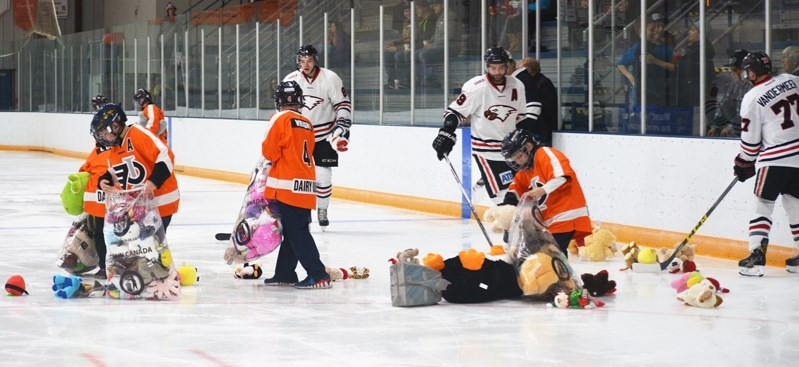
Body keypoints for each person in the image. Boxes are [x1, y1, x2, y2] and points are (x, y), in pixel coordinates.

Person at [432, 46, 534, 204]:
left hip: (513, 151)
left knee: (522, 194)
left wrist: (528, 141)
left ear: (507, 66)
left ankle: (483, 185)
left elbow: (520, 118)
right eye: (493, 68)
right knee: (504, 198)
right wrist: (446, 132)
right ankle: (506, 226)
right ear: (487, 67)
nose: (497, 72)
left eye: (501, 67)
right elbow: (454, 112)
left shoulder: (517, 85)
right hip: (487, 152)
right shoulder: (476, 87)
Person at [734, 51, 799, 277]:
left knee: (763, 204)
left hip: (776, 159)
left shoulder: (752, 98)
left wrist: (743, 163)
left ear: (752, 72)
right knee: (795, 203)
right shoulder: (791, 80)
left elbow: (751, 142)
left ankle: (756, 257)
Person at [262, 81, 331, 289]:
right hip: (305, 185)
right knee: (293, 231)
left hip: (286, 187)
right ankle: (285, 273)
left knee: (298, 232)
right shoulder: (306, 122)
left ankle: (318, 275)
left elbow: (270, 152)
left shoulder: (279, 119)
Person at [283, 45, 351, 230]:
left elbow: (343, 104)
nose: (305, 65)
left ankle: (322, 209)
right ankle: (303, 212)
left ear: (316, 60)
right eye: (302, 61)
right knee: (299, 178)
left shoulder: (330, 78)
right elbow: (283, 109)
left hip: (325, 135)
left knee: (323, 175)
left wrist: (342, 125)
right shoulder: (291, 79)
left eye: (309, 60)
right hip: (300, 136)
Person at [91, 103, 180, 241]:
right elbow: (115, 172)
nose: (103, 138)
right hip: (141, 208)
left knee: (151, 246)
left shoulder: (138, 133)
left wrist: (154, 181)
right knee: (141, 248)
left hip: (160, 202)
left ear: (115, 126)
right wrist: (103, 180)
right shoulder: (115, 149)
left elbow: (165, 155)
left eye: (104, 133)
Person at [500, 129, 592, 256]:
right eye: (515, 159)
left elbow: (563, 176)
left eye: (519, 156)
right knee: (547, 256)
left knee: (552, 255)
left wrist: (543, 189)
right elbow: (515, 189)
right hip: (550, 221)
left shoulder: (545, 153)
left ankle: (562, 275)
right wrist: (506, 209)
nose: (518, 161)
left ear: (528, 146)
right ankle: (563, 275)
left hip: (566, 214)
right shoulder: (525, 170)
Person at [617, 13, 673, 107]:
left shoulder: (667, 48)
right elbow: (621, 64)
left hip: (661, 92)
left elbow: (674, 67)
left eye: (662, 27)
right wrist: (632, 79)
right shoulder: (639, 47)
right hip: (643, 93)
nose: (660, 30)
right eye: (657, 26)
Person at [512, 57, 558, 146]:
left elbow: (545, 108)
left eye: (524, 70)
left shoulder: (543, 83)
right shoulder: (527, 83)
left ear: (532, 70)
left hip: (542, 129)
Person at [417, 0, 461, 88]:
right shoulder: (441, 17)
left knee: (424, 54)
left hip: (450, 47)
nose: (433, 8)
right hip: (438, 46)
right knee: (414, 54)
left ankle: (431, 81)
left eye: (435, 5)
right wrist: (429, 43)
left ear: (443, 5)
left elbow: (449, 35)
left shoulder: (450, 16)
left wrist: (432, 45)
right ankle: (419, 80)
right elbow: (436, 35)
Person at [708, 49, 751, 137]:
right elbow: (724, 104)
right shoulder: (733, 86)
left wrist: (730, 126)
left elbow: (744, 112)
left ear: (745, 70)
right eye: (731, 70)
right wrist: (716, 125)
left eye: (735, 70)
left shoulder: (754, 88)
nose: (732, 73)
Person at [384, 6, 412, 89]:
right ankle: (392, 82)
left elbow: (416, 41)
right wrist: (394, 43)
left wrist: (397, 48)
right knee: (387, 53)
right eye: (405, 11)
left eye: (409, 11)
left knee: (399, 55)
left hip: (413, 47)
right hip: (405, 46)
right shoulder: (406, 22)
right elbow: (404, 39)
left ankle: (404, 81)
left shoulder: (417, 22)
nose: (407, 13)